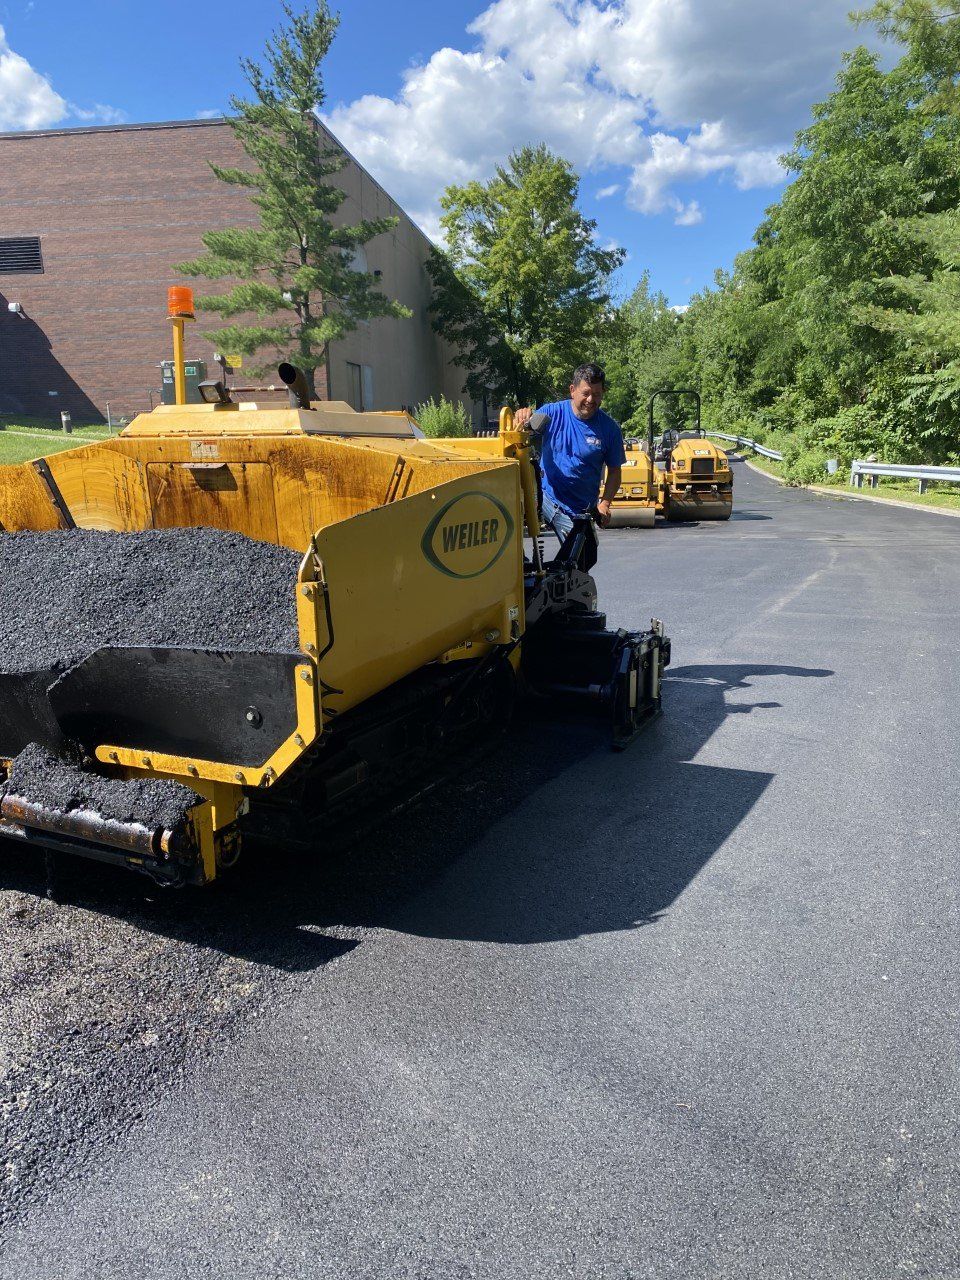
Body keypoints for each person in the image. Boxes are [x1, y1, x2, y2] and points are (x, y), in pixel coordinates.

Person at [515, 362, 625, 543]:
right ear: (573, 390)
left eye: (597, 394)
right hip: (547, 500)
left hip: (582, 510)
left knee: (584, 559)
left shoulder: (610, 429)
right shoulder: (551, 414)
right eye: (586, 393)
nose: (591, 400)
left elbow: (614, 472)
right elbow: (522, 430)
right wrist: (522, 415)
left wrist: (604, 503)